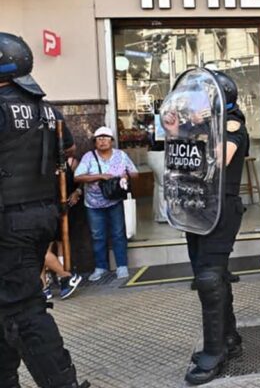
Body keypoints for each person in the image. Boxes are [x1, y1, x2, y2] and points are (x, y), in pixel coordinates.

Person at [0, 32, 89, 387]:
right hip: (39, 217)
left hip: (8, 220)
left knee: (23, 308)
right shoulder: (46, 110)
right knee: (9, 304)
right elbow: (66, 152)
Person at [161, 71, 250, 385]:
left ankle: (214, 351)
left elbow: (216, 159)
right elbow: (182, 159)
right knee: (210, 275)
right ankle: (229, 339)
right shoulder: (200, 125)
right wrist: (175, 130)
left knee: (209, 277)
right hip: (197, 206)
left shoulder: (232, 123)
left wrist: (198, 125)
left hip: (221, 209)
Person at [74, 126, 138, 281]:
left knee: (118, 234)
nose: (102, 141)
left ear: (112, 141)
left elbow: (135, 173)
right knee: (98, 236)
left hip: (115, 201)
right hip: (93, 204)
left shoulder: (121, 156)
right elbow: (77, 177)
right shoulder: (89, 157)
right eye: (99, 139)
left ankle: (122, 266)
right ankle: (100, 267)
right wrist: (100, 176)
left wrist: (126, 176)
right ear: (95, 142)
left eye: (105, 138)